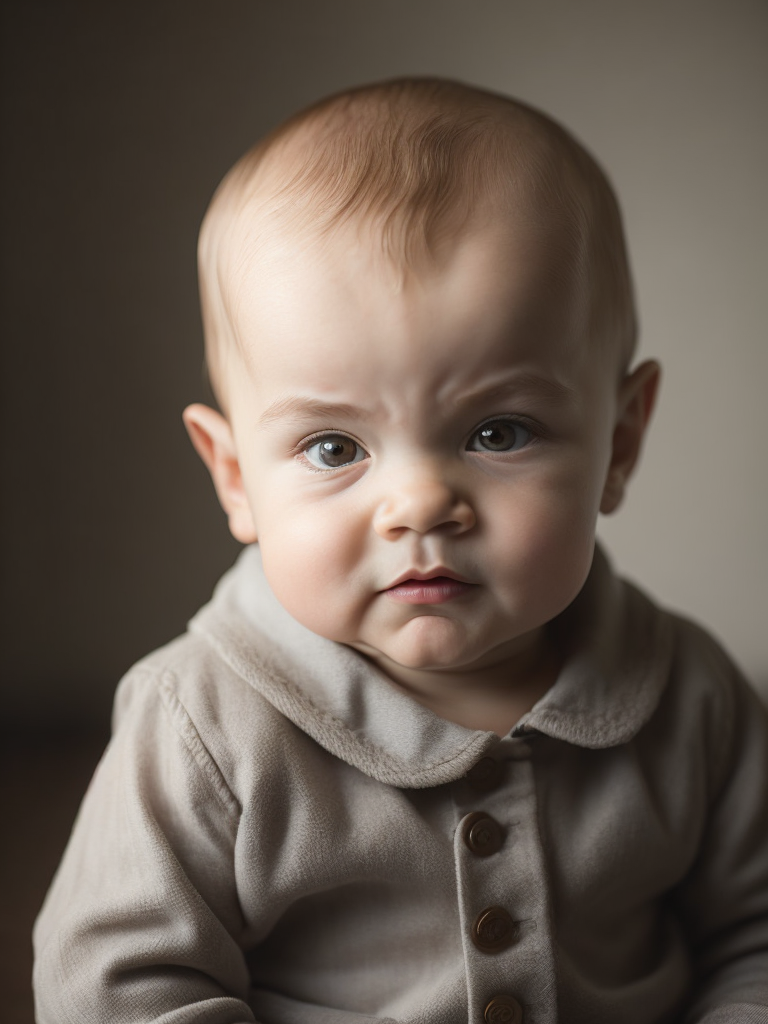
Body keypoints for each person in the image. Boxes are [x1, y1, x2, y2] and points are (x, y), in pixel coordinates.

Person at [33, 78, 768, 1024]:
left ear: (620, 443)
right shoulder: (200, 727)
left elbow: (753, 937)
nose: (421, 505)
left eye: (499, 432)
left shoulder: (690, 699)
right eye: (334, 448)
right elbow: (117, 990)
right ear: (236, 478)